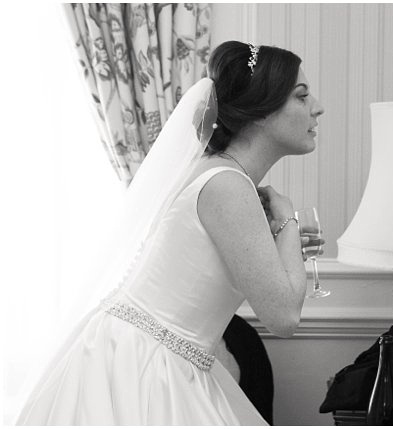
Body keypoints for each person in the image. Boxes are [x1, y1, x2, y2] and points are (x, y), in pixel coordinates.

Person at [16, 40, 324, 425]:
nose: (317, 107)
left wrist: (282, 238)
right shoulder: (228, 184)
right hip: (145, 369)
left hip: (140, 353)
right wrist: (287, 217)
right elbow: (284, 317)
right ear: (262, 111)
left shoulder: (220, 174)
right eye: (301, 96)